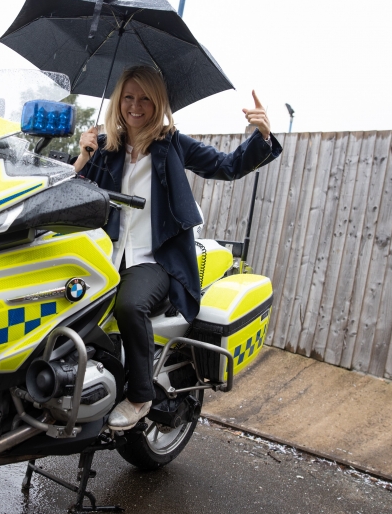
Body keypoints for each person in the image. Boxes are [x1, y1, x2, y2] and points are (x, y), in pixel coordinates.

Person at [74, 66, 282, 430]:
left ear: (158, 104)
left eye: (145, 99)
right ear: (118, 100)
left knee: (130, 304)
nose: (135, 106)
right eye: (129, 97)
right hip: (105, 255)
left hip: (155, 260)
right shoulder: (106, 147)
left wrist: (261, 134)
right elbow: (75, 195)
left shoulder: (173, 143)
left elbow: (226, 166)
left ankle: (140, 396)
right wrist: (83, 156)